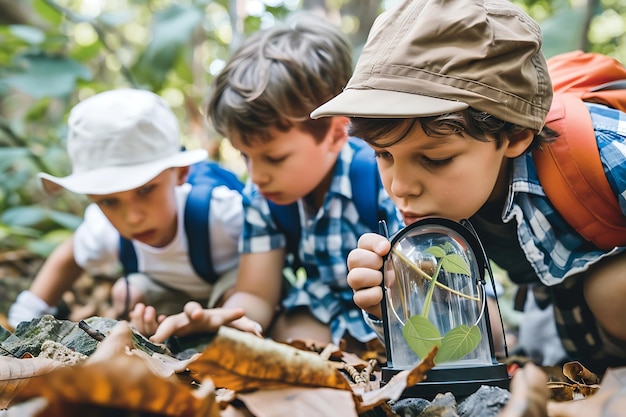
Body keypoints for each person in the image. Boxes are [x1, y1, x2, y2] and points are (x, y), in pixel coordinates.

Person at [310, 0, 626, 373]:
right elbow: (466, 344)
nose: (401, 186)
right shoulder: (429, 210)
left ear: (516, 134)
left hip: (602, 295)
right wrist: (395, 308)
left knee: (612, 292)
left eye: (436, 159)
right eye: (384, 155)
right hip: (568, 323)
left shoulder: (605, 152)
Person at [143, 15, 403, 349]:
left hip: (397, 311)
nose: (257, 175)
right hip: (324, 310)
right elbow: (256, 295)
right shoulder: (263, 196)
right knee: (290, 335)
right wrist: (225, 320)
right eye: (245, 156)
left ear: (337, 133)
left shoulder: (379, 179)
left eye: (275, 158)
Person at [7, 88, 256, 336]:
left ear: (180, 173)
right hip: (168, 297)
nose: (133, 217)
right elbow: (69, 257)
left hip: (231, 293)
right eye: (109, 202)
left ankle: (220, 334)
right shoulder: (105, 230)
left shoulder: (220, 214)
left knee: (237, 294)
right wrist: (20, 321)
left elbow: (269, 256)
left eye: (146, 190)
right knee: (126, 294)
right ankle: (163, 333)